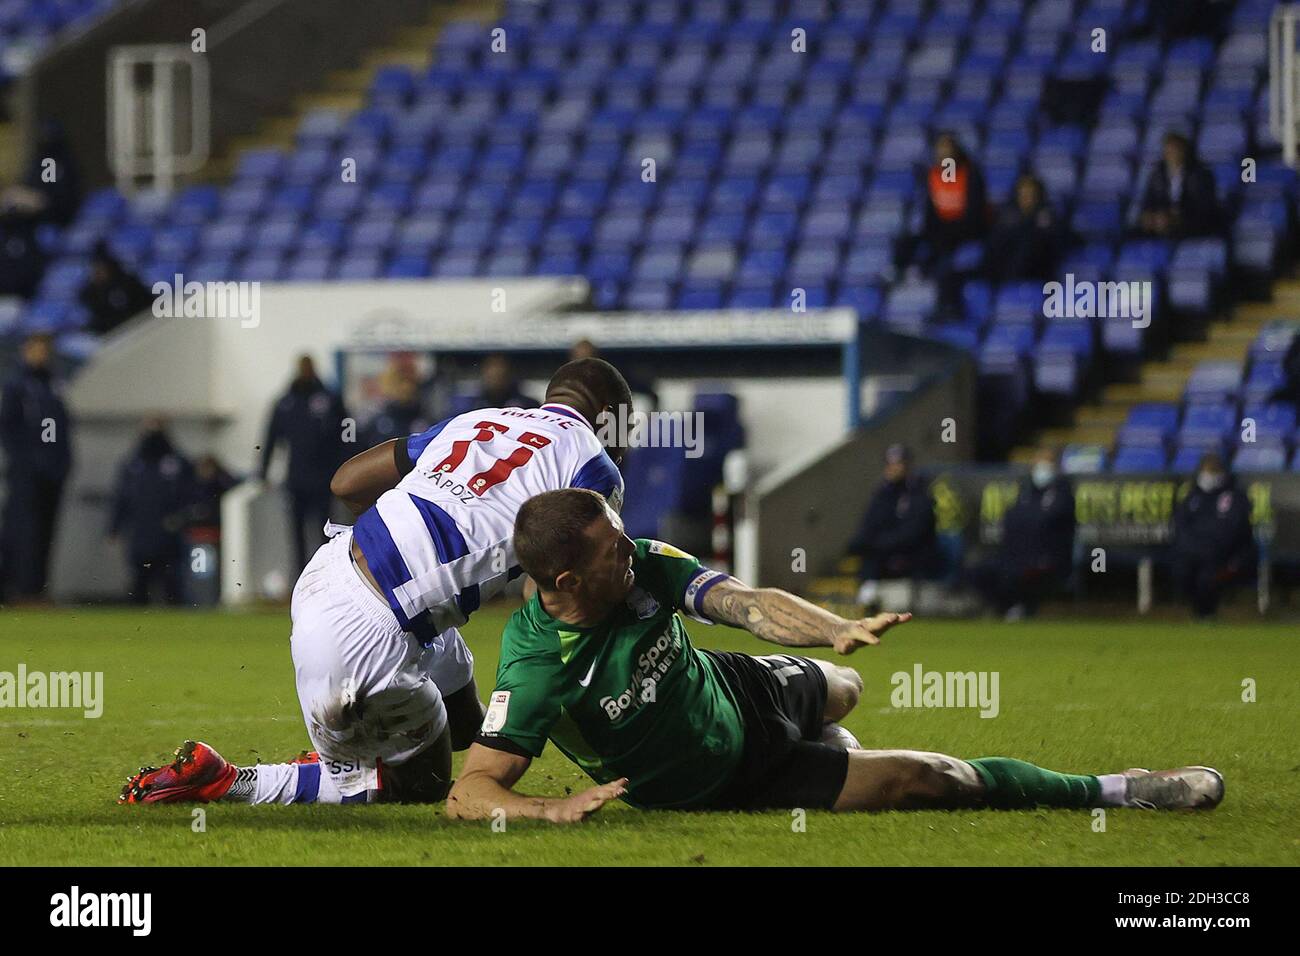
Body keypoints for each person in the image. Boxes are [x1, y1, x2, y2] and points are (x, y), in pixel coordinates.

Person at [443, 488, 1222, 821]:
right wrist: (547, 809)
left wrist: (832, 628)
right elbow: (469, 792)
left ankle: (829, 716)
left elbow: (743, 604)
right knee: (933, 779)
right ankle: (1121, 791)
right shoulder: (537, 666)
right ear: (570, 579)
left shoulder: (640, 562)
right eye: (613, 551)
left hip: (740, 687)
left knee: (846, 684)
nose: (631, 552)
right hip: (728, 781)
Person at [119, 358, 634, 808]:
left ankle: (364, 734)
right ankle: (231, 780)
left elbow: (344, 484)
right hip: (372, 632)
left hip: (329, 569)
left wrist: (418, 521)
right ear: (612, 420)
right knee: (424, 784)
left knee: (464, 724)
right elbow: (568, 595)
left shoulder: (479, 419)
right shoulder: (593, 465)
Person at [259, 355, 350, 573]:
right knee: (296, 535)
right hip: (296, 479)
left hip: (323, 478)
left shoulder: (329, 399)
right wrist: (263, 471)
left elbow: (347, 431)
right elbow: (270, 438)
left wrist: (346, 466)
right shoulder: (286, 402)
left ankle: (326, 575)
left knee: (323, 532)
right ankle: (300, 577)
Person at [0, 332, 71, 602]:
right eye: (37, 349)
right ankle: (19, 588)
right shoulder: (17, 385)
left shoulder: (53, 384)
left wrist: (62, 462)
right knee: (23, 531)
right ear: (26, 350)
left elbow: (59, 429)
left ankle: (38, 589)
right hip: (26, 474)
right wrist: (25, 461)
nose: (41, 355)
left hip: (51, 473)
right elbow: (9, 427)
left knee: (46, 533)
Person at [971, 448, 1076, 619]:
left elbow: (1047, 520)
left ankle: (1021, 607)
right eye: (1037, 464)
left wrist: (1031, 517)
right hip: (1015, 555)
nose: (1041, 469)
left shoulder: (1063, 493)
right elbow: (1012, 517)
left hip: (1048, 558)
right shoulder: (1026, 491)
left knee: (1016, 574)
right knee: (979, 571)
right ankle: (1003, 607)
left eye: (1046, 464)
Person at [108, 418, 195, 605]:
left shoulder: (178, 463)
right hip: (140, 533)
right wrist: (113, 528)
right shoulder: (132, 465)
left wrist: (183, 519)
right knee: (139, 584)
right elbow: (121, 498)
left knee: (172, 585)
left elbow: (190, 496)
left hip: (169, 535)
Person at [848, 444, 942, 609]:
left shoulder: (919, 493)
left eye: (899, 464)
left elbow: (914, 532)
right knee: (864, 550)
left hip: (913, 554)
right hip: (884, 553)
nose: (894, 468)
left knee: (878, 551)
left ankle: (870, 596)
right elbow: (870, 524)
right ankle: (867, 593)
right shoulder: (882, 494)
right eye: (890, 464)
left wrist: (880, 544)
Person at [895, 131, 988, 293]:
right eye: (940, 148)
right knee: (906, 240)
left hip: (967, 229)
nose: (943, 153)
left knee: (943, 245)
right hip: (940, 229)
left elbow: (975, 210)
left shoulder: (971, 174)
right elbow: (931, 210)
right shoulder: (934, 175)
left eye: (947, 148)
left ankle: (928, 274)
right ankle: (899, 274)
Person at [1170, 453, 1256, 619]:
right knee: (1182, 570)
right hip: (1194, 553)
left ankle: (1207, 613)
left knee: (1208, 577)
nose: (1208, 476)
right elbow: (1180, 525)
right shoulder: (1193, 497)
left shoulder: (1234, 497)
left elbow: (1234, 530)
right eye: (1206, 471)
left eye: (1213, 471)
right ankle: (1198, 613)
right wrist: (1192, 547)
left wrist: (1212, 547)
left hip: (1225, 555)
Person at [1136, 131, 1221, 239]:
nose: (1172, 154)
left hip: (1191, 221)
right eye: (1168, 150)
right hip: (1163, 220)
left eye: (1175, 149)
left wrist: (1177, 216)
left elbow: (1203, 206)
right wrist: (1150, 216)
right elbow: (1149, 200)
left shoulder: (1200, 173)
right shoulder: (1157, 174)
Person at [987, 174, 1064, 283]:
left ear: (1038, 196)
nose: (1026, 198)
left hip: (1038, 270)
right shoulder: (1008, 215)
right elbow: (996, 243)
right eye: (1023, 194)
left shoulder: (1047, 215)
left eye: (1031, 194)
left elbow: (1053, 244)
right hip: (1006, 268)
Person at [79, 241, 153, 335]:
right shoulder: (90, 294)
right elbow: (100, 320)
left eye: (100, 269)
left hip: (142, 325)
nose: (96, 273)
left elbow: (146, 303)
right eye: (94, 270)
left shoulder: (127, 282)